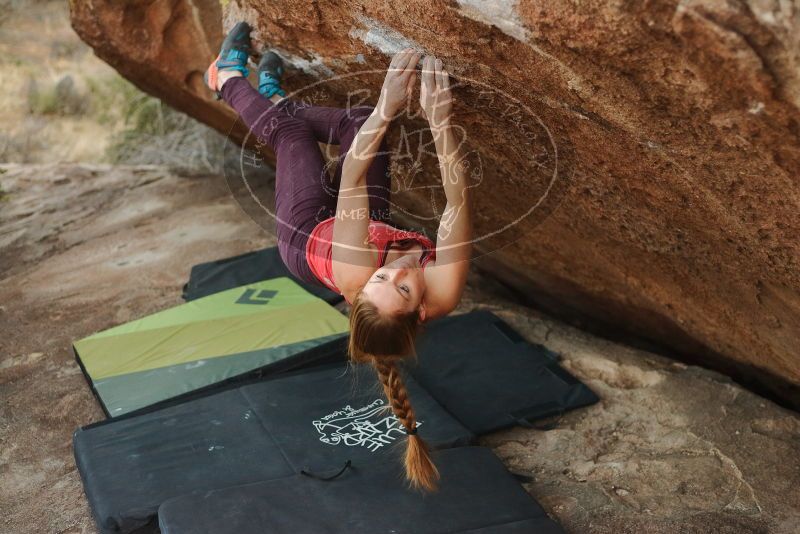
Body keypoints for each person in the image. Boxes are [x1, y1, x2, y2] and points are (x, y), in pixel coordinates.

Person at [205, 22, 472, 491]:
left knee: (291, 138)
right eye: (401, 286)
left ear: (359, 292)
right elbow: (457, 204)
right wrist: (440, 122)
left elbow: (352, 179)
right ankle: (277, 99)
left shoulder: (357, 267)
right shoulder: (442, 293)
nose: (392, 271)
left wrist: (393, 105)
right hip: (370, 225)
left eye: (380, 281)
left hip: (308, 235)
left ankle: (226, 78)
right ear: (423, 310)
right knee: (359, 121)